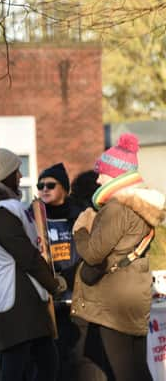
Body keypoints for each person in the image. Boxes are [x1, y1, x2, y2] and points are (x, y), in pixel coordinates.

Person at [0, 139, 66, 381]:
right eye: (16, 171)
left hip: (15, 298)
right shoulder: (2, 212)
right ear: (5, 176)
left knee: (43, 362)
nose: (21, 176)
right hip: (17, 300)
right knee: (21, 366)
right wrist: (53, 284)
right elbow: (27, 256)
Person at [71, 133, 165, 381]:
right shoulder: (142, 205)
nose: (99, 178)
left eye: (102, 172)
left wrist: (81, 230)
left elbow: (93, 254)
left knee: (123, 371)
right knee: (137, 368)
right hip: (136, 291)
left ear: (115, 175)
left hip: (115, 299)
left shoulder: (117, 208)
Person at [36, 163, 86, 380]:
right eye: (40, 185)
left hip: (75, 297)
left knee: (76, 360)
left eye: (50, 185)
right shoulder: (34, 217)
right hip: (48, 299)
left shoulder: (79, 215)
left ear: (64, 189)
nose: (44, 189)